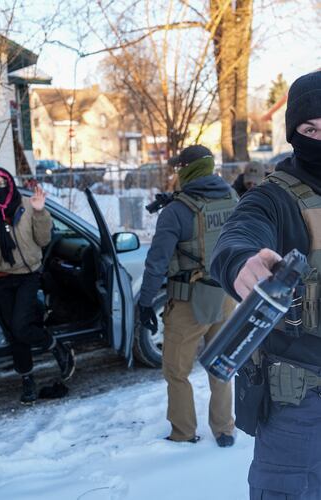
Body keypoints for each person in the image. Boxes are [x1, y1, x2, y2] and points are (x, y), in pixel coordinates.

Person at [211, 70, 321, 499]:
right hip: (301, 401)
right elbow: (238, 234)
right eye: (311, 129)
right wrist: (243, 262)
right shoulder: (273, 198)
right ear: (294, 134)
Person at [138, 145, 238, 446]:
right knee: (221, 365)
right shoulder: (233, 198)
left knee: (176, 372)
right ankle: (224, 429)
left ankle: (183, 433)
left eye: (178, 168)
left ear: (186, 170)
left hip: (188, 303)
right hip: (225, 296)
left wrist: (145, 303)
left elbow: (156, 262)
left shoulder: (177, 212)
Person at [0, 167, 76, 405]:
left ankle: (56, 346)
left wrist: (41, 212)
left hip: (28, 275)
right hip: (1, 278)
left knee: (22, 326)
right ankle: (28, 379)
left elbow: (43, 240)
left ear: (9, 183)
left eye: (2, 183)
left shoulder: (28, 206)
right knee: (14, 334)